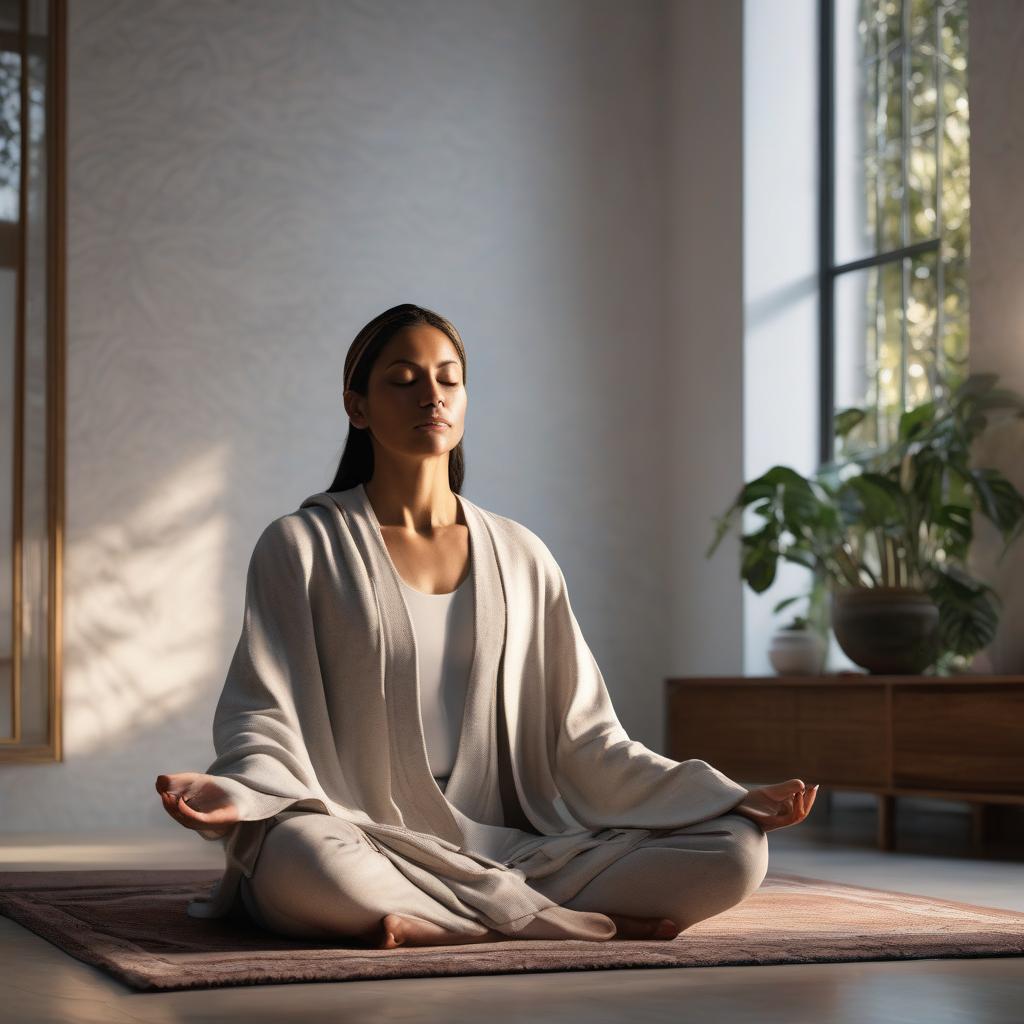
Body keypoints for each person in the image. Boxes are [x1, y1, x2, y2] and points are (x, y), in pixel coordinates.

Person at [156, 303, 818, 949]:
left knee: (735, 850)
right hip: (366, 836)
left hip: (515, 848)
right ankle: (539, 922)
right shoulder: (301, 546)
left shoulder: (521, 554)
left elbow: (586, 737)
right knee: (300, 856)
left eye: (448, 378)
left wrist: (722, 796)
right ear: (357, 407)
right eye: (403, 380)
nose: (432, 396)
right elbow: (262, 712)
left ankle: (448, 920)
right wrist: (237, 791)